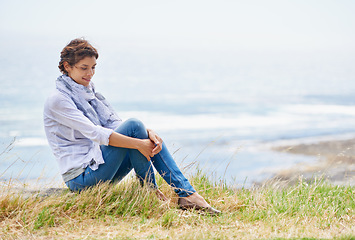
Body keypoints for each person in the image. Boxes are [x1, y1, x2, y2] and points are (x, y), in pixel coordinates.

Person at [44, 38, 220, 215]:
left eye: (93, 67)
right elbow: (96, 133)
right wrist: (139, 142)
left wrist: (147, 133)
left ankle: (166, 193)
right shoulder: (59, 99)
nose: (90, 73)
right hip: (81, 179)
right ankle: (181, 194)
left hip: (99, 167)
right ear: (67, 66)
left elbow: (115, 125)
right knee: (135, 128)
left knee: (139, 131)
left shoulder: (87, 91)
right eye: (84, 68)